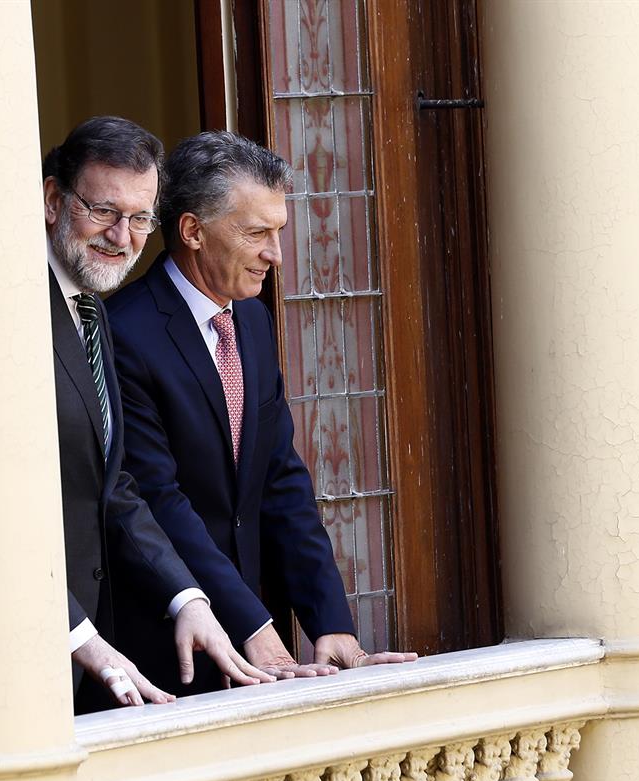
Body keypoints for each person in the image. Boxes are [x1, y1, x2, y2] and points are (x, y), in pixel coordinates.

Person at [106, 130, 417, 695]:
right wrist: (251, 622)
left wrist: (330, 622)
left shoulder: (249, 319)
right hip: (165, 647)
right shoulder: (123, 332)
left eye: (279, 232)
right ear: (193, 231)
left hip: (257, 644)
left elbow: (280, 476)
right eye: (256, 233)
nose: (275, 253)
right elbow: (158, 499)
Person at [42, 117, 271, 712]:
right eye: (103, 211)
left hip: (87, 660)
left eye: (141, 218)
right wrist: (79, 637)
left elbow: (114, 487)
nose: (123, 236)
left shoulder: (91, 311)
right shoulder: (13, 307)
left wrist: (188, 599)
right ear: (51, 200)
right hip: (28, 654)